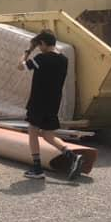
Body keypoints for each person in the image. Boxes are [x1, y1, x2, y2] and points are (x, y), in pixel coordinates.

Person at [17, 30, 84, 181]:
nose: (39, 48)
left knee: (33, 131)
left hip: (38, 101)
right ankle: (73, 156)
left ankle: (37, 168)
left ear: (42, 43)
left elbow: (20, 66)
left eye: (39, 45)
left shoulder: (41, 58)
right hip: (53, 102)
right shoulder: (64, 60)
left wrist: (28, 51)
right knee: (48, 134)